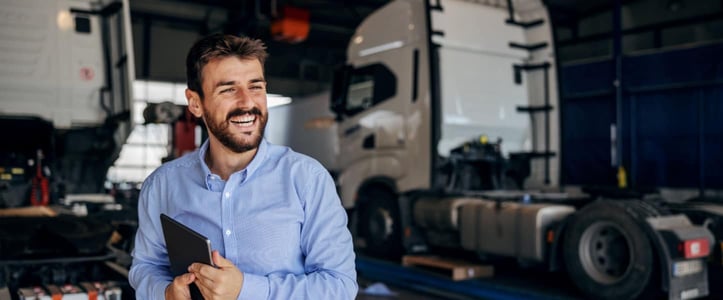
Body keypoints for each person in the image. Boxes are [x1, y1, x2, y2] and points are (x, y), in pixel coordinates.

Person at [128, 33, 358, 299]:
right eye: (228, 89)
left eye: (256, 87)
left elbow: (340, 286)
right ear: (195, 102)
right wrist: (166, 292)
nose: (247, 103)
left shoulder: (307, 179)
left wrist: (246, 290)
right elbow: (146, 267)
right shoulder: (163, 185)